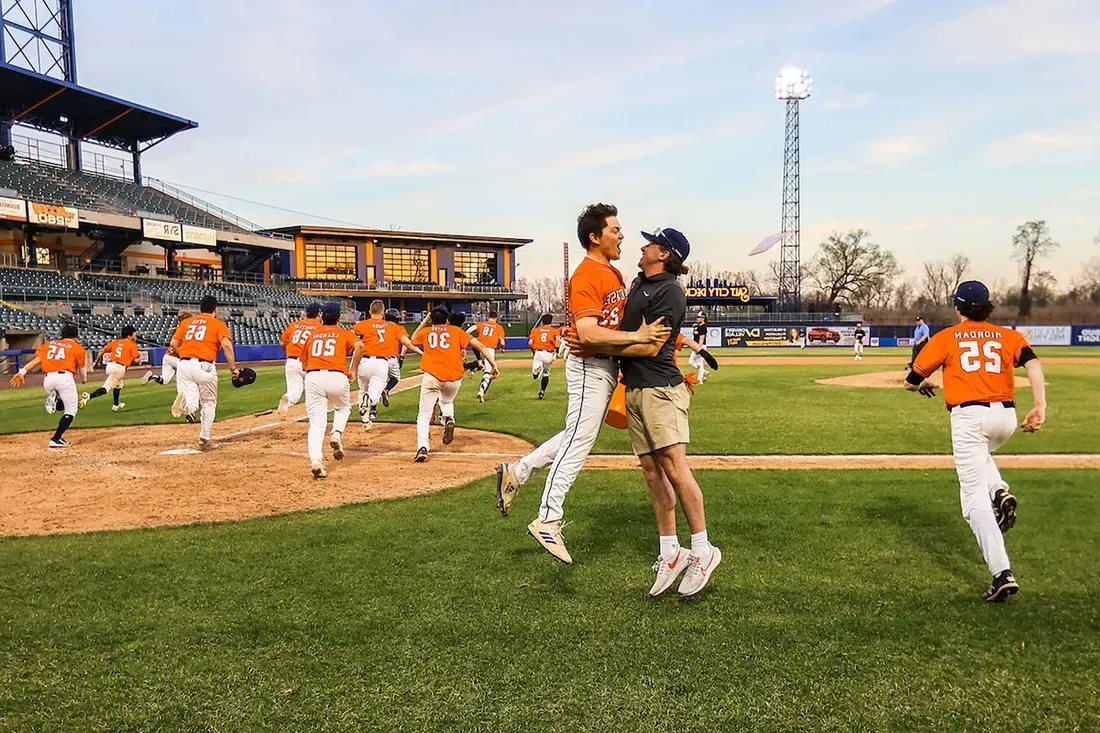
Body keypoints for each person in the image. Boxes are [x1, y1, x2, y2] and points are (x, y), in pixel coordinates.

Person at [494, 203, 670, 564]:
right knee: (578, 442)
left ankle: (518, 471)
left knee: (574, 434)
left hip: (602, 365)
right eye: (615, 230)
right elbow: (589, 332)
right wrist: (628, 336)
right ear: (595, 237)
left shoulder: (614, 274)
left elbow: (597, 330)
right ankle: (548, 518)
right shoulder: (587, 274)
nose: (621, 235)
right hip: (591, 366)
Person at [904, 280, 1047, 602]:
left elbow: (910, 381)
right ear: (988, 307)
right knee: (982, 455)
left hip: (969, 418)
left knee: (972, 503)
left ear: (957, 307)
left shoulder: (947, 337)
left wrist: (924, 383)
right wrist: (1039, 406)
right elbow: (1034, 365)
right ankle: (998, 491)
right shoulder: (1008, 335)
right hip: (1006, 418)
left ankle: (1002, 573)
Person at [612, 227, 721, 596]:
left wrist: (605, 346)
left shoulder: (669, 290)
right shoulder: (639, 283)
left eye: (650, 243)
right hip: (636, 388)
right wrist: (622, 341)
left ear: (665, 254)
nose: (642, 246)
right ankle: (670, 551)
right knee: (651, 472)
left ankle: (704, 551)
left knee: (674, 468)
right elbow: (634, 336)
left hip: (661, 389)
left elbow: (650, 346)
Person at [410, 307, 499, 462]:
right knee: (447, 401)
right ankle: (449, 418)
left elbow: (413, 338)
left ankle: (423, 447)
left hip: (431, 376)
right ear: (447, 320)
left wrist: (426, 320)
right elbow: (480, 346)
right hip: (454, 378)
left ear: (432, 319)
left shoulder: (426, 332)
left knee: (424, 415)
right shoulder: (456, 332)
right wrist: (493, 365)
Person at [302, 302, 364, 479]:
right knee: (343, 407)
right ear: (338, 317)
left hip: (313, 376)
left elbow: (303, 361)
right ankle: (336, 433)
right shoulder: (344, 333)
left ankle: (316, 462)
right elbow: (360, 346)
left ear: (322, 316)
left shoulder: (313, 334)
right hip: (337, 376)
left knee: (316, 424)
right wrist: (352, 370)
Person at [169, 295, 238, 450]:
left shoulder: (186, 322)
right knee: (208, 403)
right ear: (215, 309)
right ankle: (204, 439)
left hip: (184, 364)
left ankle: (185, 405)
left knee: (192, 400)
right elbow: (226, 346)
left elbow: (173, 343)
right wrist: (233, 368)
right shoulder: (218, 324)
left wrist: (185, 355)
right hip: (204, 366)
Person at [8, 324, 87, 448]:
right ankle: (56, 438)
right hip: (64, 378)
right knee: (71, 410)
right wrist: (84, 380)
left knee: (61, 405)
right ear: (77, 336)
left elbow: (36, 361)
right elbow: (82, 369)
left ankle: (54, 398)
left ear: (62, 335)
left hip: (48, 379)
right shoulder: (77, 347)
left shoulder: (49, 345)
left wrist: (22, 372)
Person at [353, 299, 422, 430]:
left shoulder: (363, 324)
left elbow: (350, 336)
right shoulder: (393, 327)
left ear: (369, 311)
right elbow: (407, 343)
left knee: (362, 390)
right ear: (382, 313)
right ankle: (370, 402)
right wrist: (421, 353)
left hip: (364, 361)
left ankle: (366, 420)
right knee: (375, 392)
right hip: (381, 363)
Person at [276, 302, 322, 418]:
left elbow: (283, 343)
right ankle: (315, 417)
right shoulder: (319, 327)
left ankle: (287, 398)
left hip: (291, 361)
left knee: (294, 392)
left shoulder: (294, 325)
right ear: (319, 314)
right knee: (315, 392)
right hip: (309, 362)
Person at [84, 326, 140, 411]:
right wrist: (138, 360)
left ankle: (116, 405)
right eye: (134, 334)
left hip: (110, 365)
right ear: (129, 336)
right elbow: (136, 360)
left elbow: (102, 350)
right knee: (106, 388)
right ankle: (89, 396)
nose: (135, 336)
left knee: (119, 384)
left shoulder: (115, 342)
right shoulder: (132, 345)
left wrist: (96, 361)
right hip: (119, 368)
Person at [143, 311, 190, 386]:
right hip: (175, 358)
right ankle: (182, 394)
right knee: (187, 373)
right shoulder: (183, 329)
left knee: (164, 380)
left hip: (167, 356)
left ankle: (152, 376)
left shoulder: (178, 327)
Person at [469, 311, 506, 403]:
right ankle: (481, 391)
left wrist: (464, 334)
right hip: (489, 350)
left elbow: (472, 328)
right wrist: (502, 348)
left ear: (488, 317)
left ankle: (473, 367)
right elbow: (502, 341)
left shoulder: (482, 324)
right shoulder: (499, 327)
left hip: (479, 346)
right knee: (488, 371)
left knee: (480, 363)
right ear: (496, 318)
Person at [528, 314, 560, 400]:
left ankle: (536, 372)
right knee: (546, 374)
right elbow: (557, 340)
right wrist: (557, 352)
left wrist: (533, 351)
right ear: (551, 321)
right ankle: (542, 391)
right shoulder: (554, 330)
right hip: (548, 353)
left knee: (535, 375)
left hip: (538, 352)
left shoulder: (536, 330)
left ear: (542, 321)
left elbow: (530, 343)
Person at [380, 308, 405, 407]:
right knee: (395, 378)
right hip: (391, 358)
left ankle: (372, 410)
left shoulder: (379, 327)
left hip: (378, 358)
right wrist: (402, 356)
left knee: (377, 383)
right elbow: (406, 343)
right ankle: (387, 389)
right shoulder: (398, 328)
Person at [690, 312, 709, 382]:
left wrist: (699, 348)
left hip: (700, 346)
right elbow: (694, 335)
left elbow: (701, 338)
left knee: (699, 363)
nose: (697, 318)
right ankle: (703, 372)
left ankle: (699, 379)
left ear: (703, 318)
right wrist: (694, 328)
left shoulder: (703, 327)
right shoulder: (698, 326)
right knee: (691, 362)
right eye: (697, 317)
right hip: (696, 345)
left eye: (699, 317)